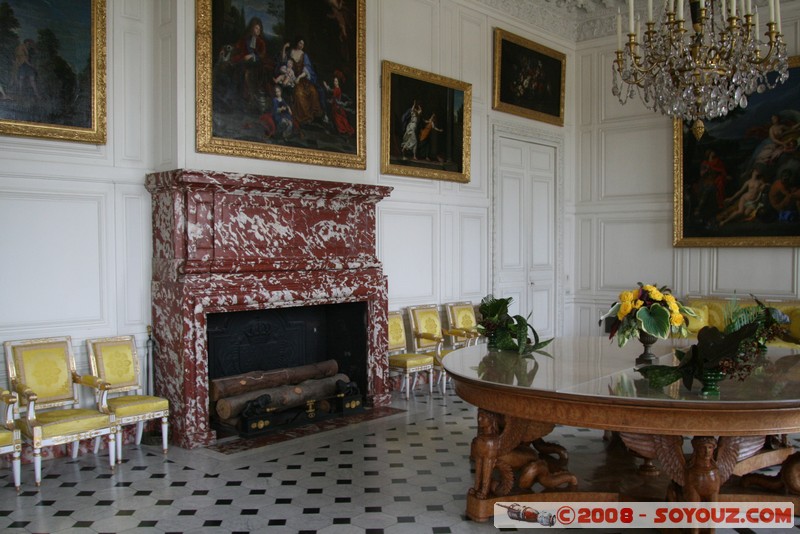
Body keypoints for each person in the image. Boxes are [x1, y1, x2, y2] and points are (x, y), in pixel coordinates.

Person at [231, 17, 273, 109]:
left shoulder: (261, 42)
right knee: (239, 67)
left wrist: (252, 56)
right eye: (256, 28)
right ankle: (236, 97)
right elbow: (237, 48)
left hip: (257, 64)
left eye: (259, 28)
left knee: (246, 70)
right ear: (252, 28)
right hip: (246, 62)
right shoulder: (245, 39)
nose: (258, 30)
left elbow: (262, 55)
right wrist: (242, 56)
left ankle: (249, 99)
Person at [281, 37, 326, 124]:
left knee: (313, 91)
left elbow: (307, 69)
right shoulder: (291, 52)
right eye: (300, 43)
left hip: (302, 78)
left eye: (303, 44)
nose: (301, 45)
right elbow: (284, 61)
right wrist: (284, 48)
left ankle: (315, 115)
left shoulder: (304, 55)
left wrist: (299, 77)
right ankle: (305, 117)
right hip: (293, 77)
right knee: (299, 94)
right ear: (297, 43)